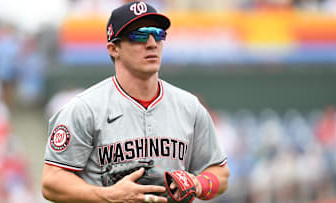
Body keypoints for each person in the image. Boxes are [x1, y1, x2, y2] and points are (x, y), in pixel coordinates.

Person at [41, 1, 230, 202]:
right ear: (114, 49)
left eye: (158, 34)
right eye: (139, 36)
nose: (151, 43)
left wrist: (199, 184)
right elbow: (52, 182)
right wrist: (108, 196)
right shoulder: (84, 109)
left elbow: (220, 173)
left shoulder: (189, 106)